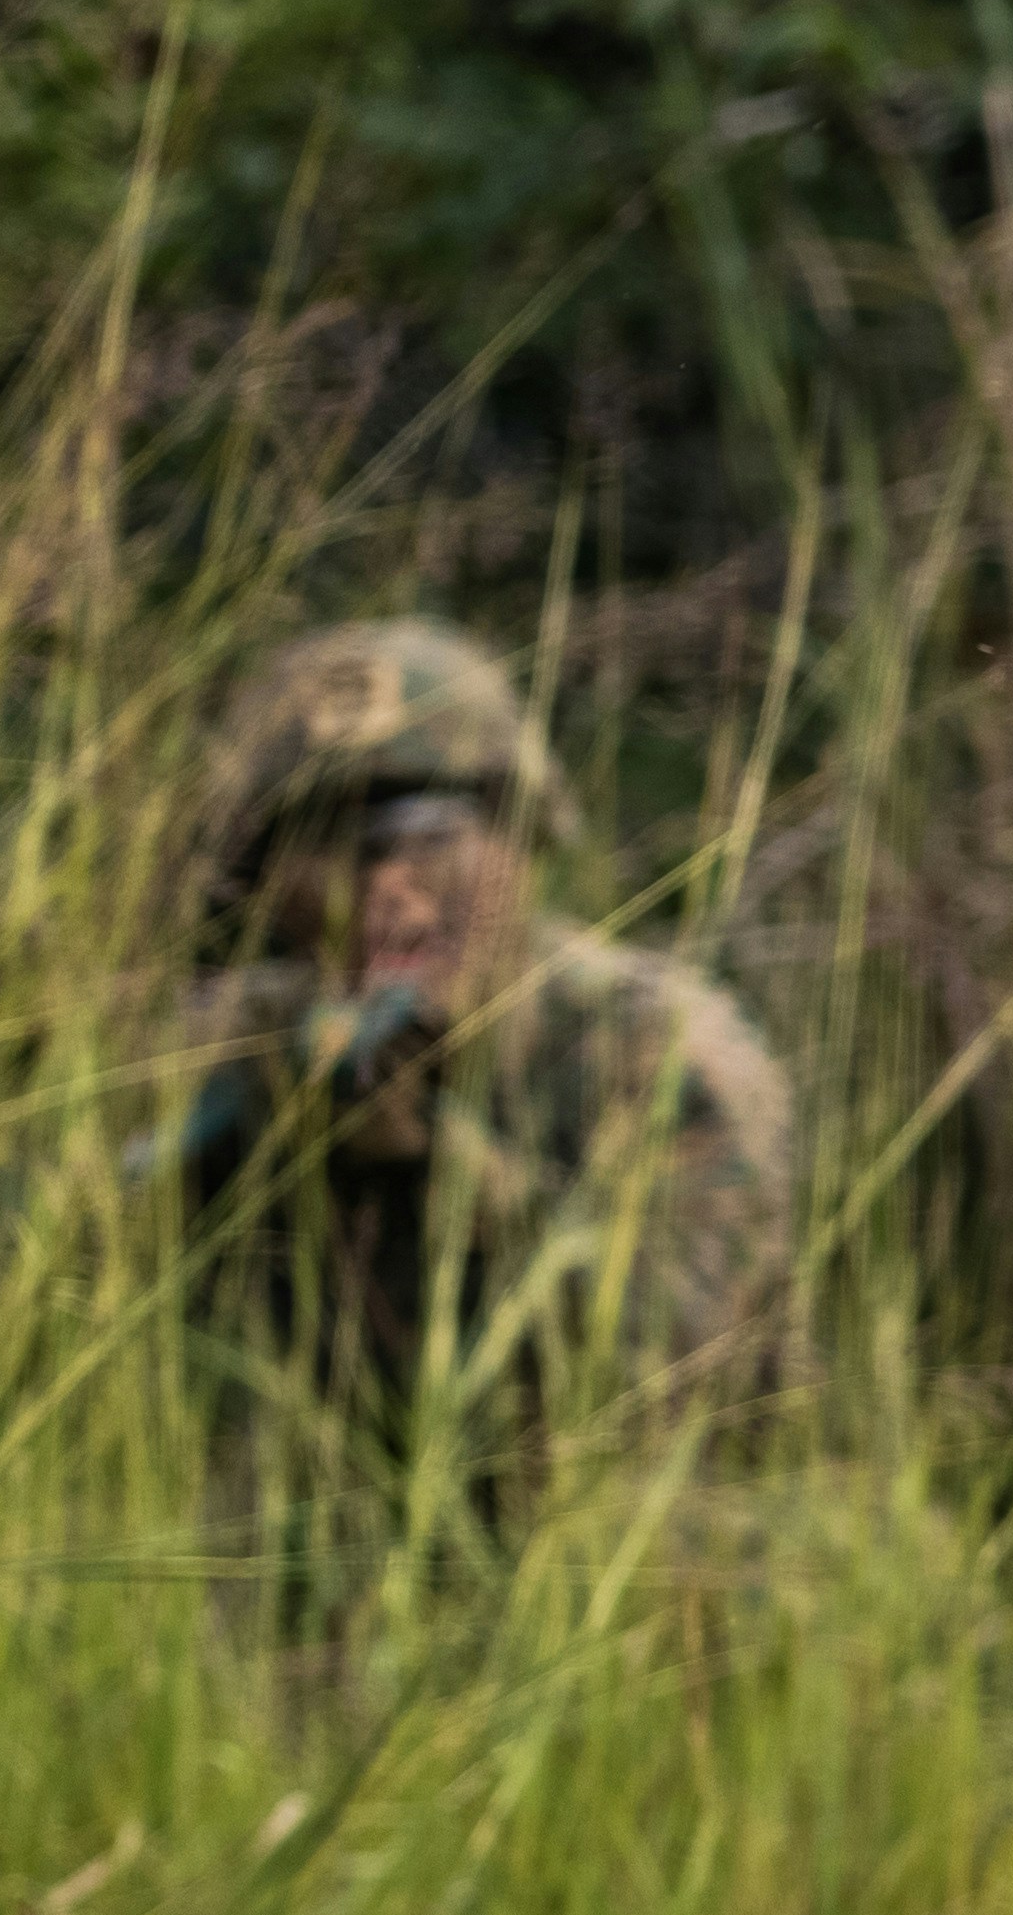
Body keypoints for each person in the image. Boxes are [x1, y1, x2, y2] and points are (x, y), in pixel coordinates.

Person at [161, 617, 793, 1456]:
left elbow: (675, 1366)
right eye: (331, 846)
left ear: (521, 841)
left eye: (431, 838)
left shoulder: (659, 1052)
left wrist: (443, 1167)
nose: (390, 889)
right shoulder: (226, 1045)